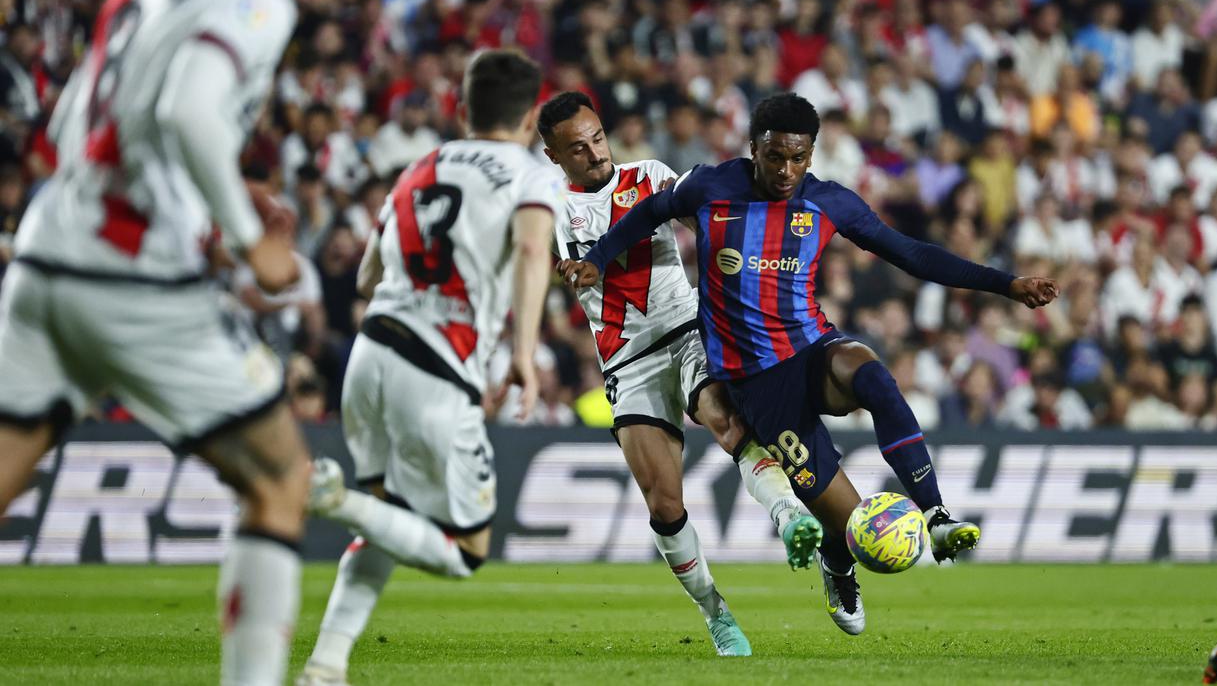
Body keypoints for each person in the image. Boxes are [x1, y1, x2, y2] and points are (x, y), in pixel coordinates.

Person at [559, 93, 1059, 637]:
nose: (786, 171)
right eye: (775, 157)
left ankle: (936, 514)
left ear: (812, 154)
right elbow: (648, 213)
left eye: (799, 158)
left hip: (813, 348)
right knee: (849, 528)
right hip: (757, 386)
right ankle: (839, 565)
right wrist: (598, 259)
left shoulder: (830, 202)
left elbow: (912, 253)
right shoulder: (710, 187)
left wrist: (1006, 284)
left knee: (872, 375)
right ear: (754, 149)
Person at [0, 0, 306, 684]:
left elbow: (67, 126)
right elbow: (189, 111)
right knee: (279, 479)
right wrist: (246, 233)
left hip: (48, 253)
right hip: (132, 275)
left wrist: (195, 193)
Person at [298, 50, 564, 686]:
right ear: (531, 118)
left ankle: (326, 663)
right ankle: (331, 498)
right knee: (464, 552)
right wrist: (523, 352)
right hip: (438, 369)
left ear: (463, 108)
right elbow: (532, 251)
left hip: (371, 352)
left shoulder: (420, 166)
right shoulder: (529, 174)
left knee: (388, 519)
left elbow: (367, 275)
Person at [538, 91, 823, 656]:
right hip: (626, 359)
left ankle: (788, 514)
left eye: (598, 138)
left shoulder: (651, 175)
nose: (595, 153)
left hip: (687, 326)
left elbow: (714, 214)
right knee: (664, 506)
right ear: (554, 156)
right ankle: (715, 612)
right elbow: (542, 270)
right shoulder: (547, 211)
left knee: (724, 417)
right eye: (578, 148)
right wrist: (558, 273)